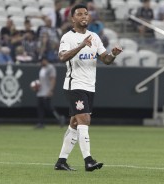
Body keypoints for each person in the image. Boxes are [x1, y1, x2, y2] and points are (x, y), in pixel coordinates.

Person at [54, 4, 122, 172]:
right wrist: (81, 46)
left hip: (89, 86)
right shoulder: (68, 37)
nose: (84, 16)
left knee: (75, 123)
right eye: (80, 14)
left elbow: (105, 59)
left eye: (86, 14)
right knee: (84, 119)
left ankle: (61, 162)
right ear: (73, 19)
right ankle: (88, 161)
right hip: (74, 84)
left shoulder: (95, 37)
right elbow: (62, 57)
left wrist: (113, 54)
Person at [32, 57, 65, 128]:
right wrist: (36, 87)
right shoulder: (42, 68)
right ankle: (41, 123)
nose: (41, 62)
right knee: (40, 108)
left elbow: (53, 79)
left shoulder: (50, 68)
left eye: (42, 61)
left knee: (48, 107)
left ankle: (59, 118)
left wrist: (51, 90)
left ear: (45, 60)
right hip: (40, 91)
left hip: (46, 91)